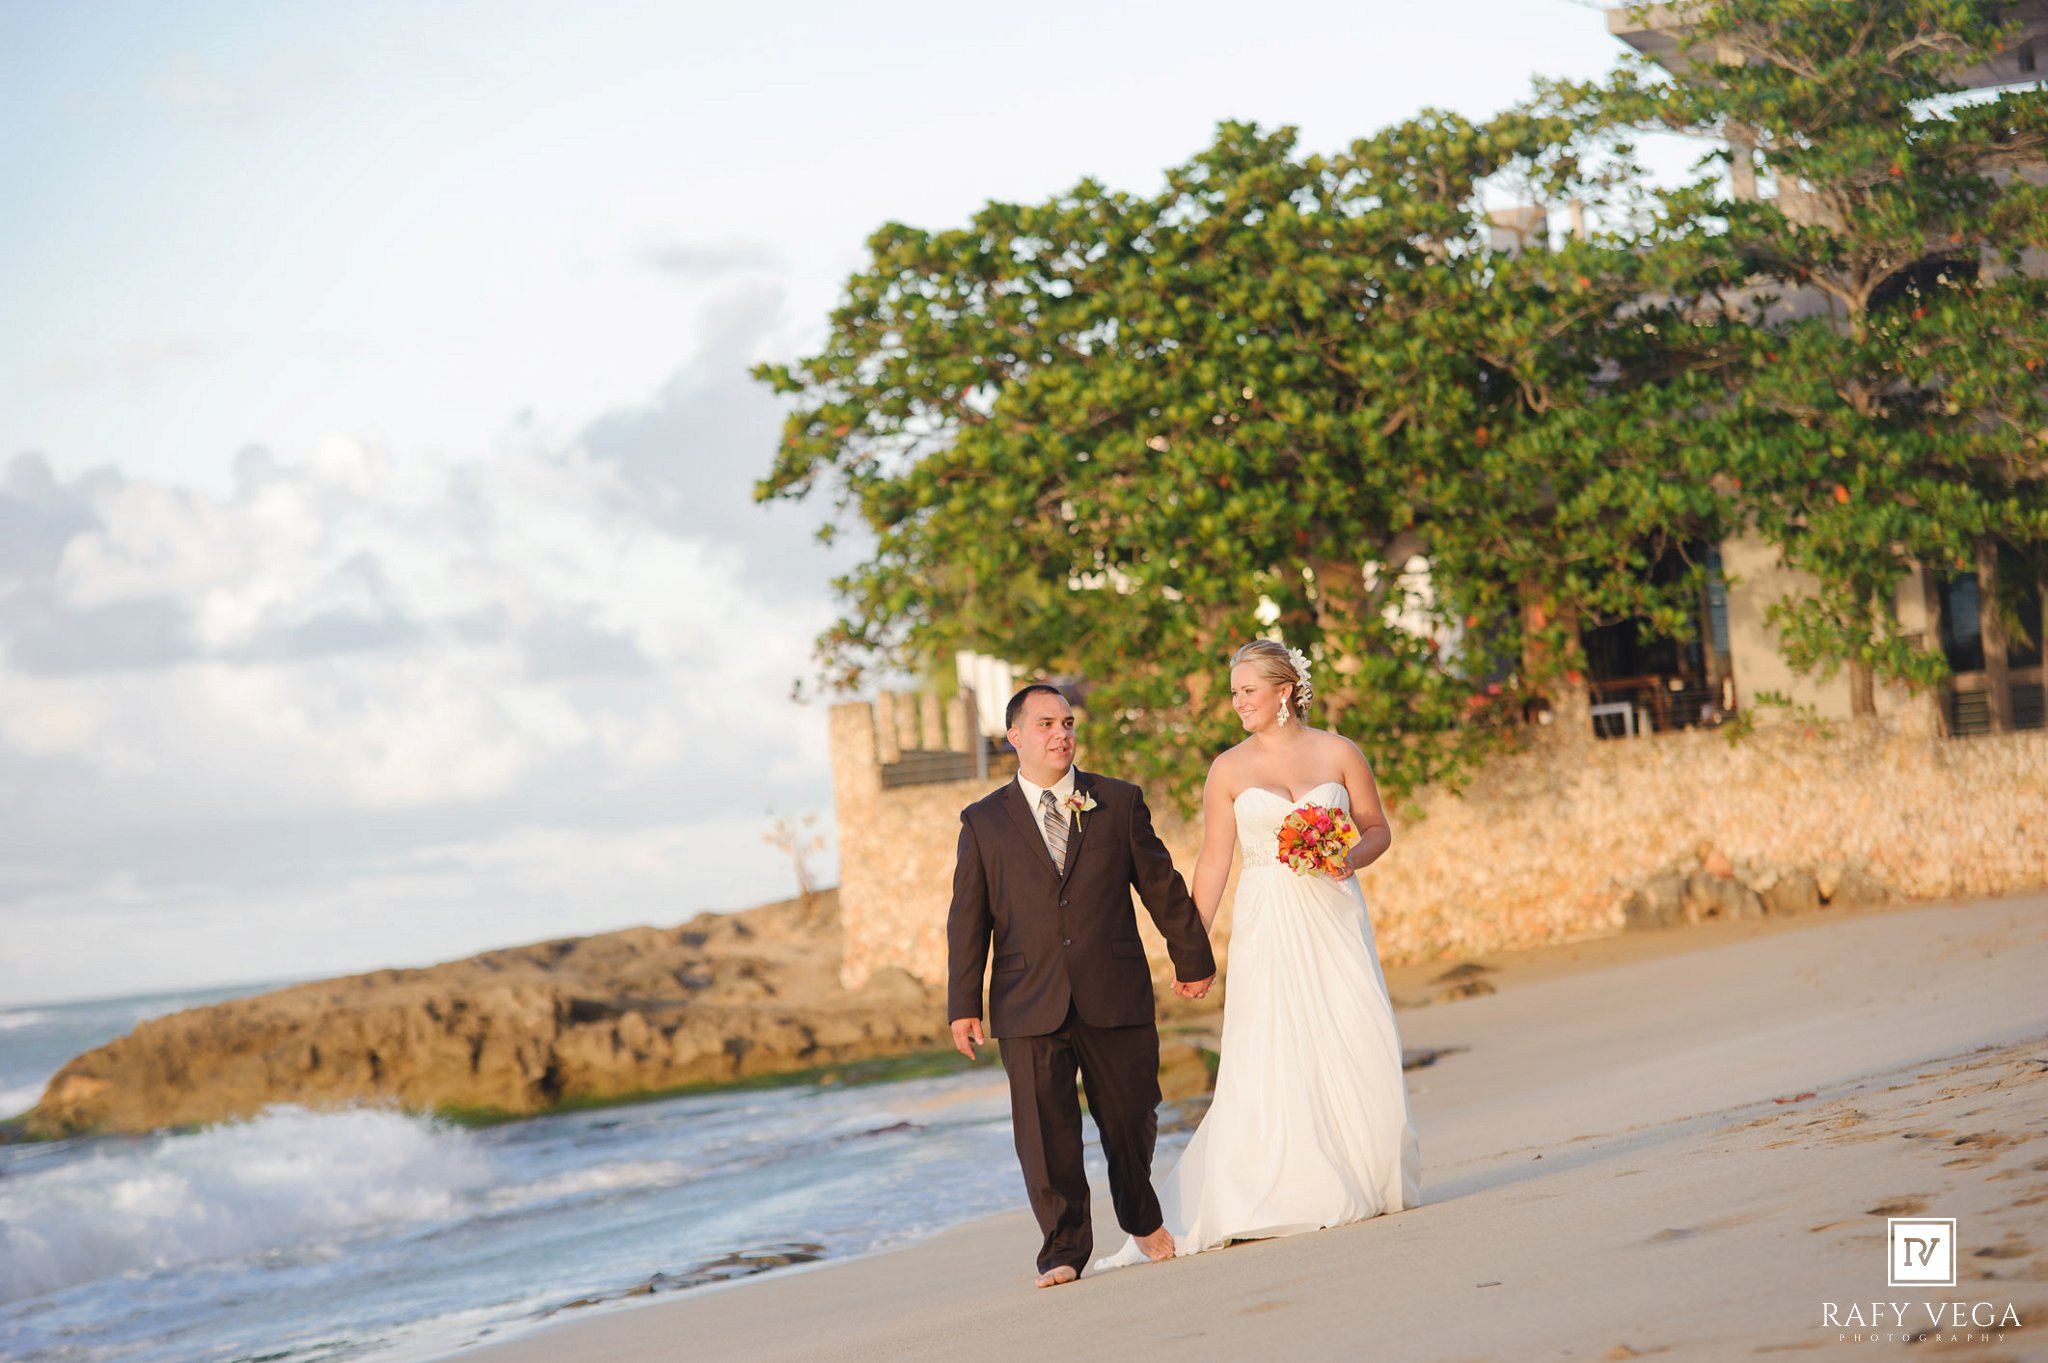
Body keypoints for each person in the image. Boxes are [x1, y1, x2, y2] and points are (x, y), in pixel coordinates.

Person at [1094, 639, 1423, 1271]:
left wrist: (1345, 858)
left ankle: (1368, 1171)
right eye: (1235, 692)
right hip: (1267, 918)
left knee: (1355, 1030)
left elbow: (1376, 827)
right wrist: (1191, 946)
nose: (1237, 702)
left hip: (1334, 913)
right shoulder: (1228, 768)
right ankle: (1294, 1182)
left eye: (1247, 690)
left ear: (1283, 691)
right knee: (1272, 1044)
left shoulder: (1339, 751)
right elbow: (1216, 859)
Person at [947, 682, 1218, 1288]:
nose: (1061, 734)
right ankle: (1063, 1250)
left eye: (1067, 723)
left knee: (1131, 1116)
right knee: (1045, 1135)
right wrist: (963, 1003)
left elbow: (1160, 884)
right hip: (1025, 1000)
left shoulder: (1117, 801)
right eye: (1045, 724)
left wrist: (1192, 955)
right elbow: (968, 917)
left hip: (1113, 987)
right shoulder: (983, 822)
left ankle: (1141, 1217)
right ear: (1014, 736)